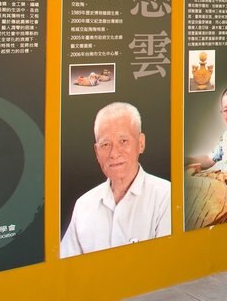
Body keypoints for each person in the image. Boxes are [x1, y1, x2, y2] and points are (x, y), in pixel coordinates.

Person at [61, 102, 170, 257]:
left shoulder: (166, 196)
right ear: (96, 152)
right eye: (105, 144)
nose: (114, 153)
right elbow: (67, 269)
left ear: (141, 143)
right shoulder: (83, 205)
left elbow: (166, 265)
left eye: (123, 141)